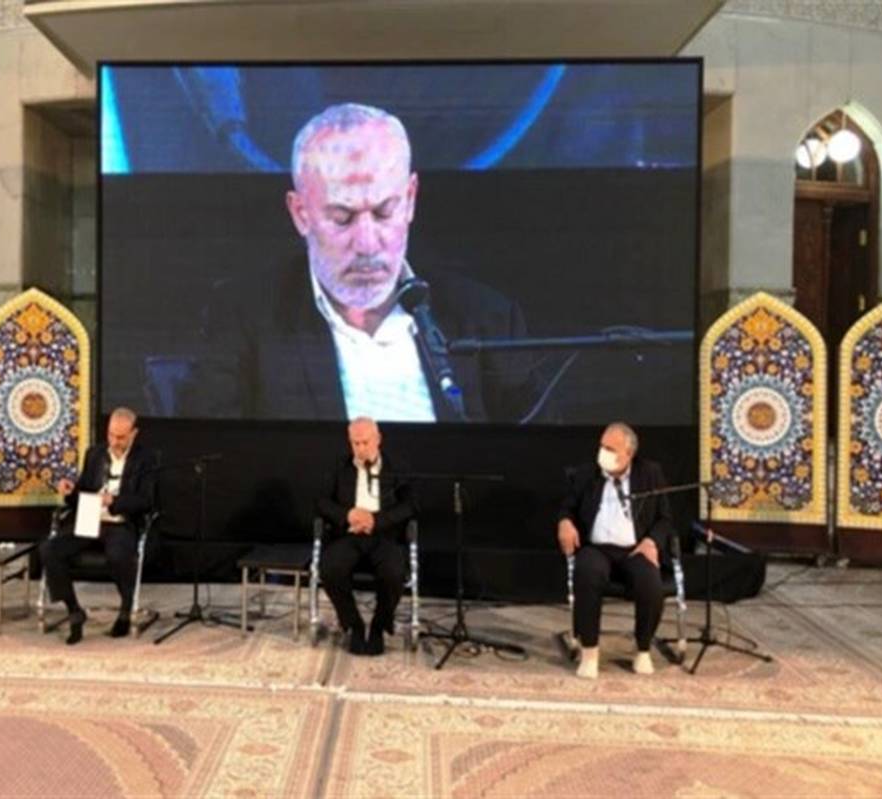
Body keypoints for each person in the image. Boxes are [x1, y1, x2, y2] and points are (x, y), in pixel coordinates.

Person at [181, 102, 541, 423]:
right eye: (342, 218)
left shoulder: (484, 317)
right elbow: (213, 456)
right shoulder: (244, 319)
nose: (367, 243)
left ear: (410, 199)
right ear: (301, 213)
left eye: (384, 212)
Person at [557, 422, 674, 679]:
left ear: (628, 454)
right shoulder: (587, 474)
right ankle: (590, 651)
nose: (603, 453)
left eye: (611, 449)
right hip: (597, 548)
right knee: (587, 571)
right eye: (602, 446)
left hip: (635, 549)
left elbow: (665, 519)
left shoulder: (649, 473)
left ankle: (643, 649)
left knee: (651, 582)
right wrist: (565, 522)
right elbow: (568, 508)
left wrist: (652, 541)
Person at [40, 407, 159, 645]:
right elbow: (83, 493)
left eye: (121, 437)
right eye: (111, 435)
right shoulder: (94, 454)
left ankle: (126, 608)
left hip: (120, 522)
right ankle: (74, 611)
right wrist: (70, 492)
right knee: (49, 549)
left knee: (118, 554)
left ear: (133, 434)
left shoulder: (145, 459)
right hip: (89, 519)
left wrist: (114, 501)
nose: (114, 441)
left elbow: (147, 501)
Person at [317, 417, 417, 655]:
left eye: (365, 442)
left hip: (383, 535)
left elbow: (411, 506)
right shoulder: (339, 467)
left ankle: (380, 626)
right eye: (356, 443)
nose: (361, 449)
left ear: (378, 439)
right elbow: (321, 502)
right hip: (349, 535)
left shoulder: (396, 467)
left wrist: (376, 520)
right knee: (330, 570)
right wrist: (348, 514)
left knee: (394, 573)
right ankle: (353, 624)